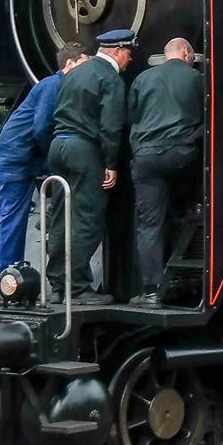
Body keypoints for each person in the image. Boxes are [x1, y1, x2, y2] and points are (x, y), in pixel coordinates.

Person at [46, 27, 133, 305]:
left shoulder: (74, 72)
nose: (129, 60)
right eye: (129, 53)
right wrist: (111, 162)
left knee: (60, 218)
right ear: (118, 51)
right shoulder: (110, 78)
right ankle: (79, 287)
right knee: (87, 219)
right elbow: (110, 126)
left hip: (58, 145)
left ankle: (58, 285)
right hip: (84, 150)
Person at [0, 42, 87, 274]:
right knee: (12, 217)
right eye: (84, 65)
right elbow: (42, 127)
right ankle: (6, 274)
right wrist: (54, 159)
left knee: (13, 216)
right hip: (16, 159)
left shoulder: (56, 86)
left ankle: (10, 270)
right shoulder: (52, 86)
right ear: (70, 63)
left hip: (22, 157)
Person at [127, 37, 203, 307]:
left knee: (148, 225)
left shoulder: (143, 79)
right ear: (185, 52)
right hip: (183, 155)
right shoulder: (197, 79)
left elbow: (131, 117)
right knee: (191, 203)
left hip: (147, 157)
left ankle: (150, 292)